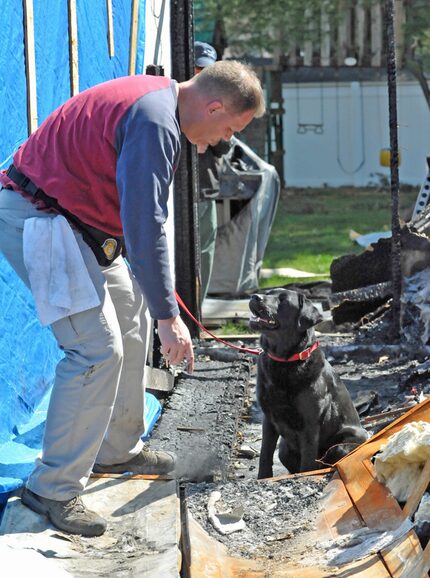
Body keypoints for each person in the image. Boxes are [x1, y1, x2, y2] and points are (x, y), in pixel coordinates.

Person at [0, 60, 265, 537]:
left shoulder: (161, 105)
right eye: (228, 127)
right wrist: (171, 317)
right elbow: (145, 227)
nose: (225, 139)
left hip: (73, 222)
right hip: (38, 217)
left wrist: (158, 311)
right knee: (95, 350)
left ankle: (116, 448)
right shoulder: (155, 122)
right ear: (214, 105)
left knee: (131, 315)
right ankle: (51, 489)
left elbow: (142, 224)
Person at [194, 41, 232, 301]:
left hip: (205, 190)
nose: (201, 74)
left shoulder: (221, 102)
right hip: (178, 193)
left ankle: (197, 311)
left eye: (206, 70)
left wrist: (209, 133)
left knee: (204, 255)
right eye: (197, 68)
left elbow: (224, 146)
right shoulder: (177, 96)